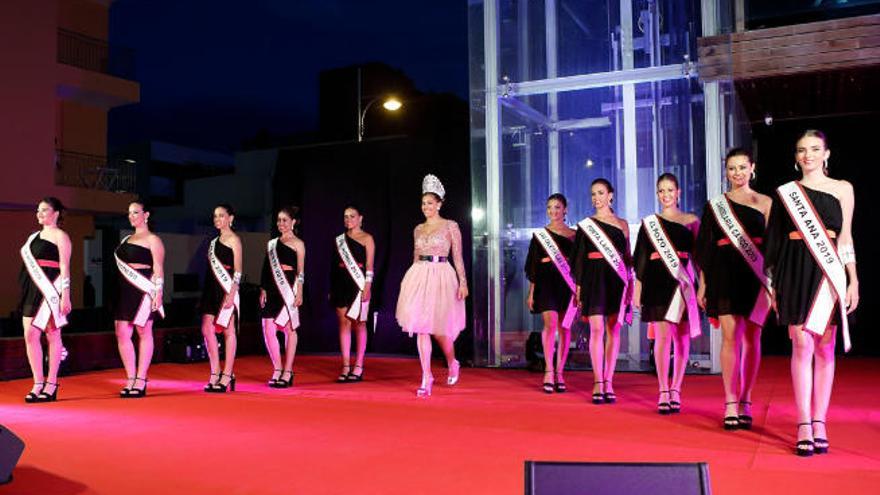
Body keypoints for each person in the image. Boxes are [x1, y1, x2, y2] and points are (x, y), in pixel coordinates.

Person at [763, 130, 858, 456]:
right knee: (801, 342)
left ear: (826, 153)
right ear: (795, 156)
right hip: (793, 268)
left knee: (826, 346)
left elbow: (845, 239)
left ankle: (820, 420)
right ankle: (803, 421)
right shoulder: (786, 193)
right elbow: (773, 241)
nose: (808, 155)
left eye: (815, 149)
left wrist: (853, 279)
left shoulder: (843, 189)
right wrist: (772, 282)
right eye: (802, 150)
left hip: (828, 270)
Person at [695, 148, 772, 430]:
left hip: (756, 275)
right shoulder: (715, 205)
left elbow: (774, 247)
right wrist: (703, 284)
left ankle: (746, 399)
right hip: (724, 273)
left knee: (753, 338)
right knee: (730, 337)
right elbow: (704, 246)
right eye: (732, 168)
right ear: (725, 172)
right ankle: (729, 401)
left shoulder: (766, 203)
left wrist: (774, 284)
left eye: (742, 167)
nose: (737, 173)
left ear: (752, 168)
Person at [633, 173, 700, 414]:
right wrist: (637, 289)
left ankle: (676, 388)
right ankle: (663, 388)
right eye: (661, 190)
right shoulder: (649, 223)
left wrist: (703, 286)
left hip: (682, 283)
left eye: (670, 190)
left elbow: (700, 258)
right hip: (656, 281)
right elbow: (640, 258)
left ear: (678, 192)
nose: (666, 195)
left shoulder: (691, 220)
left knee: (681, 338)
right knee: (662, 337)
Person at [396, 174, 468, 397]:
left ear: (439, 204)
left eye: (430, 203)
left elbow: (458, 257)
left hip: (442, 276)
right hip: (419, 275)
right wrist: (409, 282)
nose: (426, 207)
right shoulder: (418, 229)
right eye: (423, 203)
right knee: (421, 326)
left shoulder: (450, 226)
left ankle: (452, 361)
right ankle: (426, 376)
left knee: (440, 330)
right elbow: (415, 256)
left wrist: (463, 282)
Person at [571, 180, 633, 404]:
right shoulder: (585, 225)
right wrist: (578, 288)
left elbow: (627, 258)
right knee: (596, 329)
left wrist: (631, 287)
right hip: (593, 280)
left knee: (613, 330)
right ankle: (598, 381)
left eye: (600, 193)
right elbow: (578, 259)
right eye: (593, 194)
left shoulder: (623, 224)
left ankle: (609, 380)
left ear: (610, 196)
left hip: (616, 279)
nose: (596, 198)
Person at [20, 197, 72, 403]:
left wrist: (65, 296)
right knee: (30, 335)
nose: (39, 214)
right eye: (37, 210)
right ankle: (37, 382)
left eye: (44, 210)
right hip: (33, 288)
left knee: (53, 334)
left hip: (52, 288)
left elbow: (65, 268)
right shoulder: (33, 237)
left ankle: (51, 383)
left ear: (56, 213)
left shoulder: (61, 236)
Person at [524, 193, 576, 394]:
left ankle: (560, 372)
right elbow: (533, 268)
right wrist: (531, 292)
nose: (553, 211)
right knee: (550, 323)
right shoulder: (540, 236)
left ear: (565, 210)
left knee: (564, 327)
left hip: (566, 284)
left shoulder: (574, 235)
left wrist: (578, 290)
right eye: (549, 207)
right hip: (545, 282)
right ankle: (548, 369)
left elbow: (579, 265)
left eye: (557, 207)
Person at [114, 200, 165, 398]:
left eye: (136, 212)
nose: (132, 216)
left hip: (143, 288)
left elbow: (159, 268)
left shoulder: (153, 239)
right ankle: (130, 377)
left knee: (143, 331)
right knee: (121, 332)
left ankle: (141, 379)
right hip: (124, 289)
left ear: (146, 215)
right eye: (129, 213)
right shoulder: (126, 239)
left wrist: (158, 292)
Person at [260, 205, 305, 388]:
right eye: (279, 220)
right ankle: (277, 368)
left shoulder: (298, 244)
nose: (281, 223)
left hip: (289, 289)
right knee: (268, 328)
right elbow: (265, 268)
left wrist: (299, 291)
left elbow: (301, 271)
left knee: (289, 329)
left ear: (293, 222)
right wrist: (262, 289)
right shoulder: (272, 244)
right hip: (271, 289)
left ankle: (288, 370)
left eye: (285, 220)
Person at [199, 204, 243, 393]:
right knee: (207, 328)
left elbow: (238, 270)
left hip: (227, 288)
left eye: (221, 216)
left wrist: (232, 292)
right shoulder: (213, 242)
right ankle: (215, 372)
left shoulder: (234, 240)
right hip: (211, 288)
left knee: (228, 330)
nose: (217, 219)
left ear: (230, 218)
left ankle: (227, 374)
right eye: (215, 216)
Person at [330, 205, 375, 382]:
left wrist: (367, 287)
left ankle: (359, 365)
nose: (348, 220)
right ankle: (346, 365)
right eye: (345, 216)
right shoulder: (339, 240)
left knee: (360, 324)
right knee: (344, 323)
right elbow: (333, 267)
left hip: (359, 284)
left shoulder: (367, 239)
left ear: (360, 218)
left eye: (352, 216)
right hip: (341, 282)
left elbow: (370, 266)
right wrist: (331, 288)